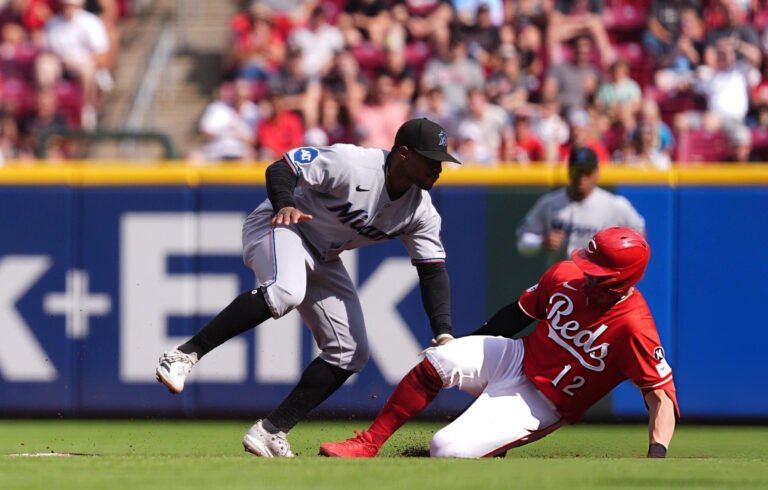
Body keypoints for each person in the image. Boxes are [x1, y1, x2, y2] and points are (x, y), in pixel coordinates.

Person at [155, 118, 461, 458]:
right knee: (286, 291)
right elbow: (281, 167)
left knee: (350, 352)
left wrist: (444, 331)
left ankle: (271, 431)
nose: (439, 168)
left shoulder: (421, 211)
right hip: (279, 224)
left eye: (442, 160)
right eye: (431, 159)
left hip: (323, 255)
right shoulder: (354, 163)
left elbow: (432, 271)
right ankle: (183, 355)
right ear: (403, 154)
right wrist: (286, 202)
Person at [319, 227, 679, 459]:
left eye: (596, 274)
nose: (586, 275)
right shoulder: (565, 275)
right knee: (440, 359)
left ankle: (489, 449)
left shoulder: (634, 327)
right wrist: (467, 343)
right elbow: (517, 315)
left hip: (543, 401)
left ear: (620, 281)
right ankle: (369, 443)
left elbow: (660, 396)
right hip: (517, 357)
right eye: (587, 265)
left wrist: (657, 456)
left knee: (445, 450)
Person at [517, 147, 645, 264]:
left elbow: (640, 235)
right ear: (569, 172)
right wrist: (541, 242)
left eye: (587, 172)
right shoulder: (550, 203)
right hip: (560, 283)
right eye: (576, 171)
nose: (581, 177)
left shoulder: (615, 205)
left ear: (596, 173)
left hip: (597, 284)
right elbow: (522, 241)